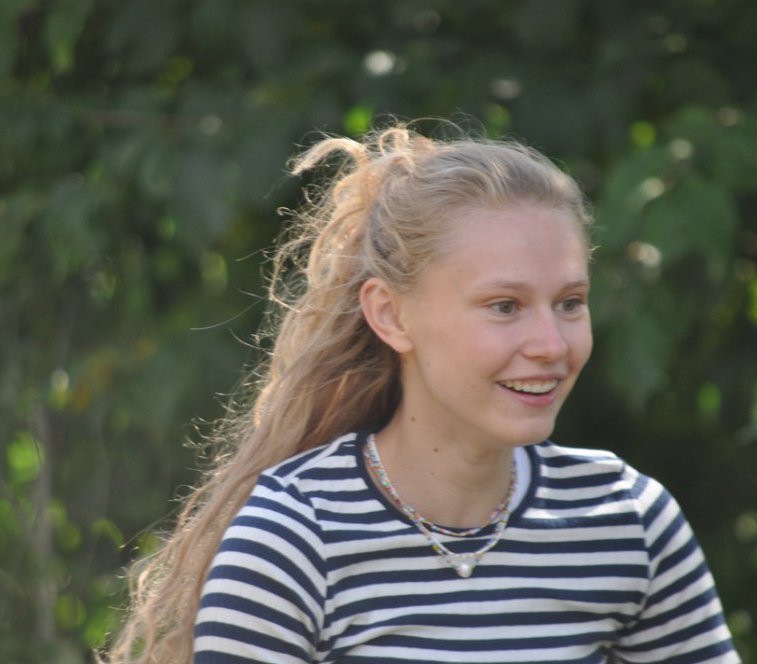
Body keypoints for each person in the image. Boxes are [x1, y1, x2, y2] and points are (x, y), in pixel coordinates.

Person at [107, 124, 740, 663]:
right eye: (504, 306)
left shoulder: (628, 519)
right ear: (391, 316)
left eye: (570, 303)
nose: (552, 343)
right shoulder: (294, 538)